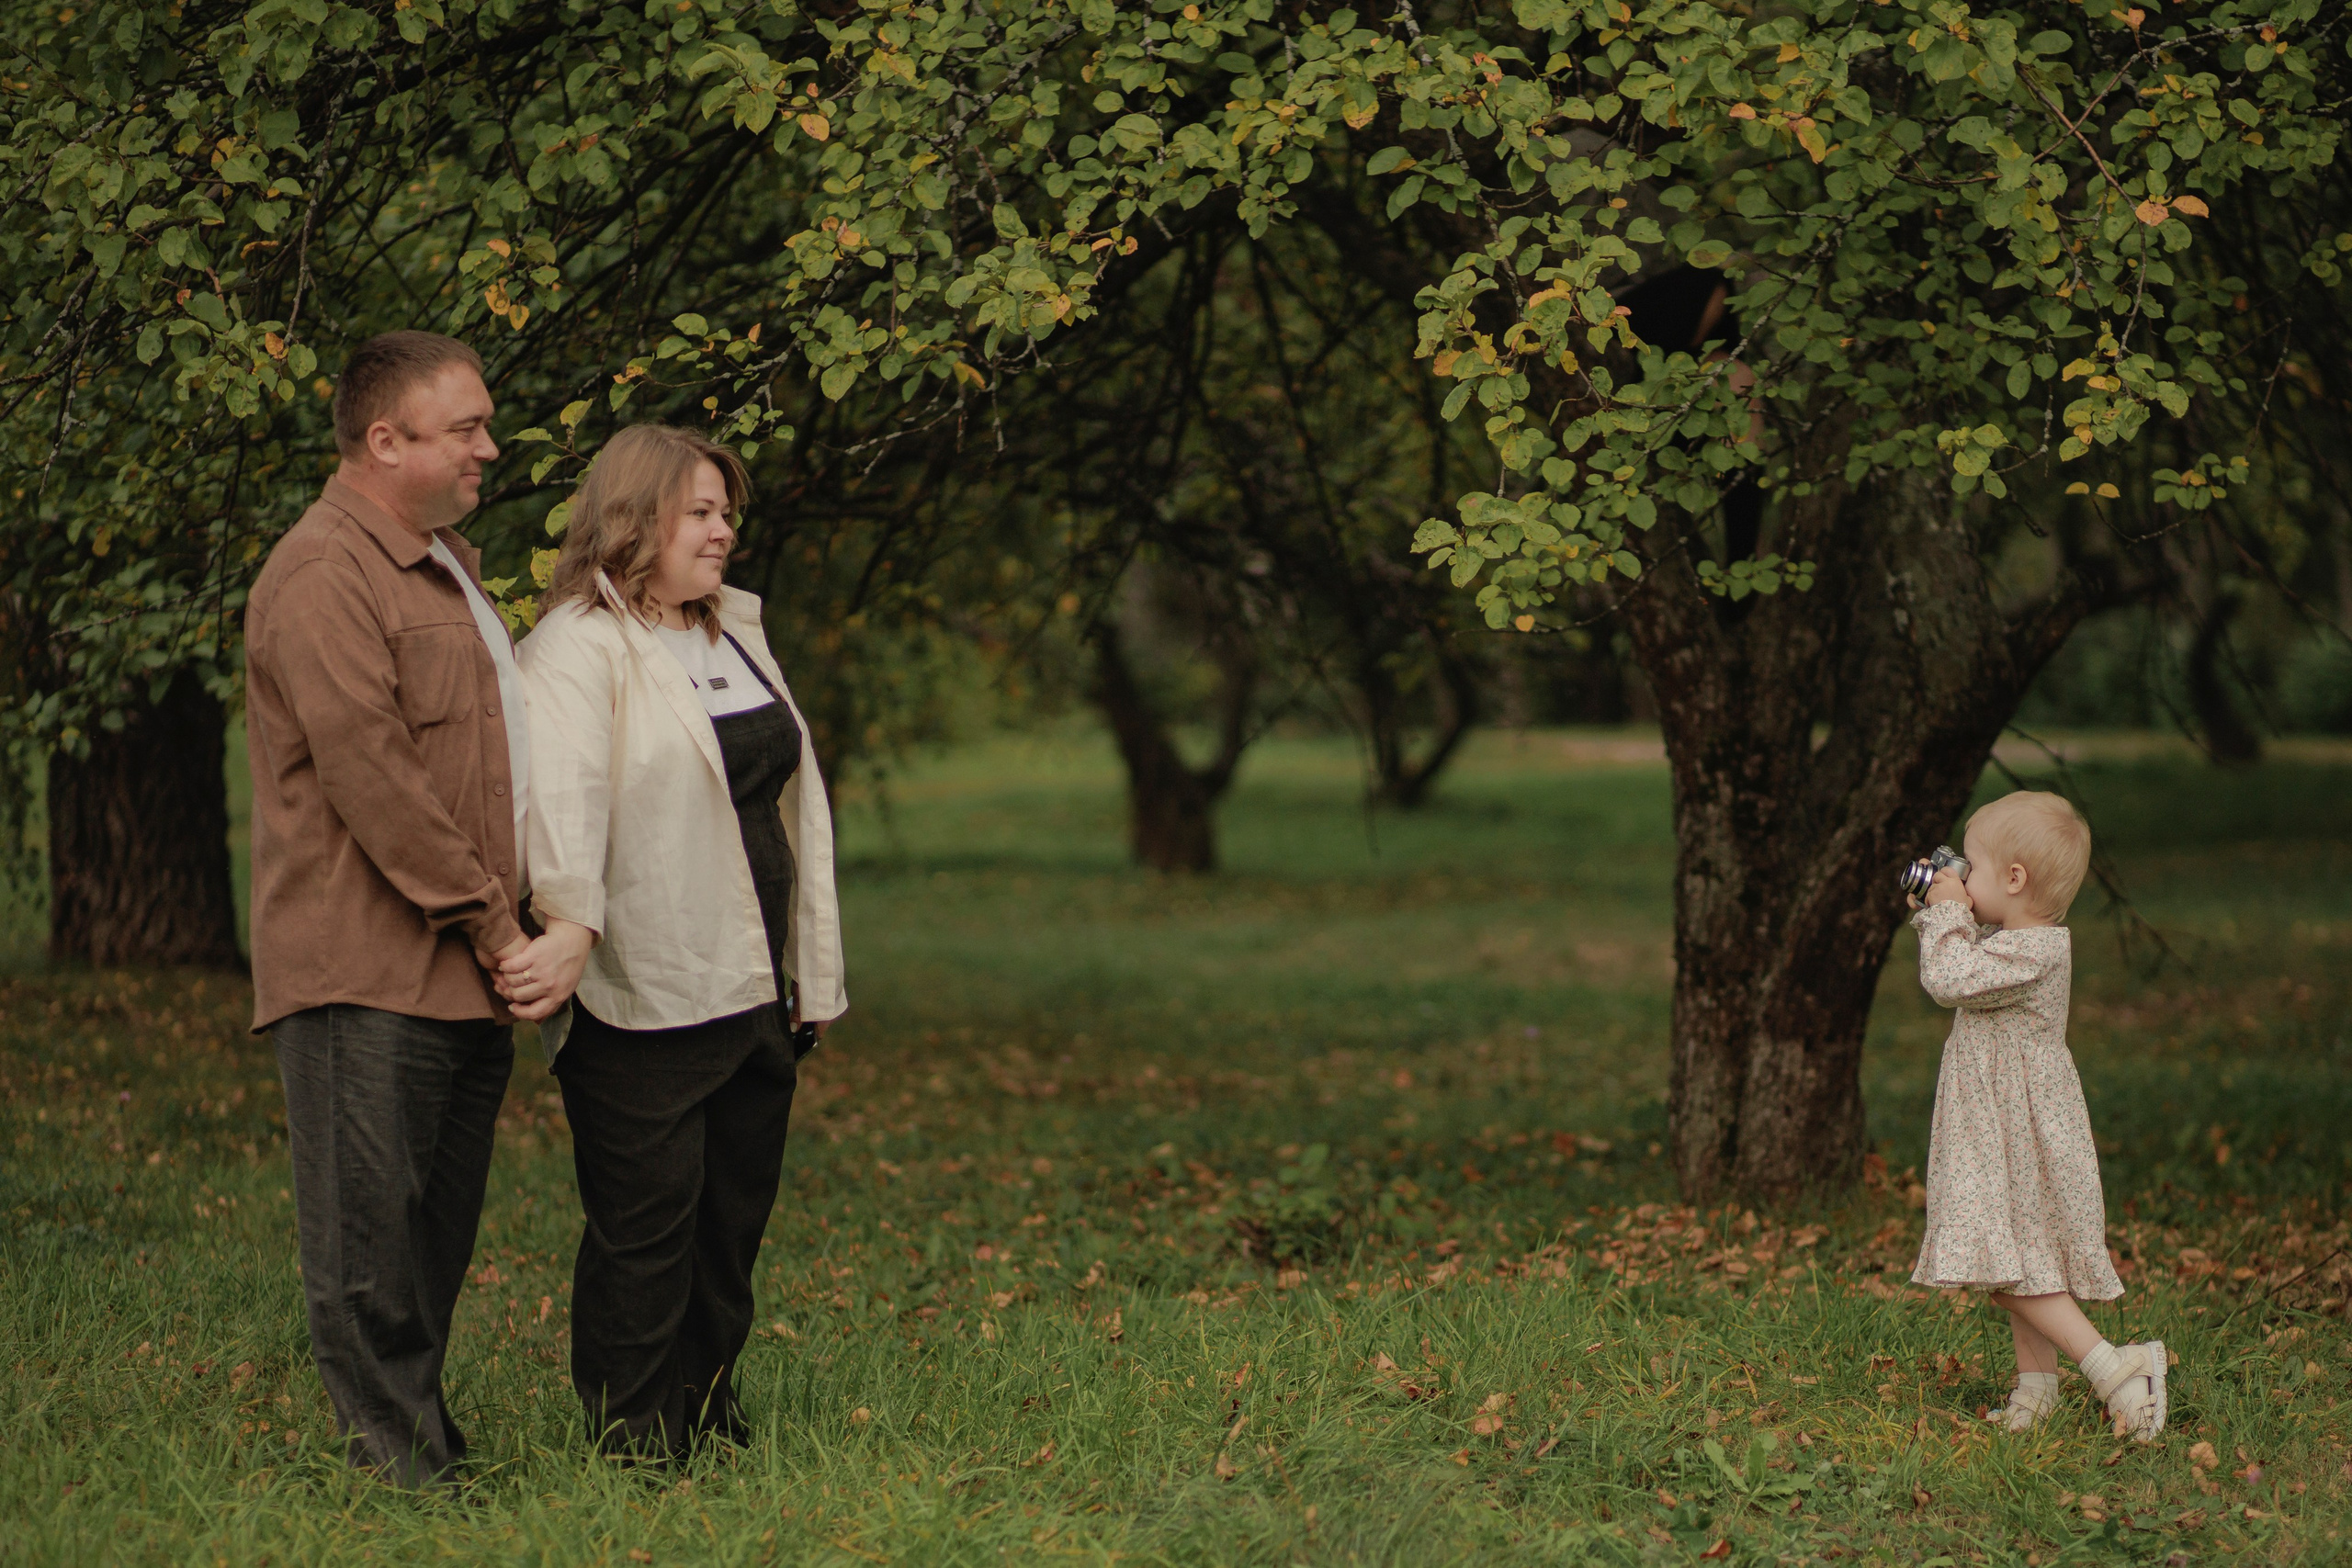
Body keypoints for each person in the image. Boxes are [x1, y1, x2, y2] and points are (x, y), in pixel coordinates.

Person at [498, 423, 845, 1460]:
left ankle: (708, 1412)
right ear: (635, 519)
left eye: (726, 511)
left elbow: (793, 812)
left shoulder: (733, 631)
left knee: (728, 1225)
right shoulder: (577, 647)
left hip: (752, 980)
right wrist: (568, 924)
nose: (724, 530)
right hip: (640, 987)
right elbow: (561, 804)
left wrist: (809, 969)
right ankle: (634, 1443)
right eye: (700, 510)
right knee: (646, 1231)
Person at [244, 330, 530, 1486]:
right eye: (466, 428)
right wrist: (497, 923)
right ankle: (397, 1471)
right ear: (384, 439)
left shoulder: (444, 565)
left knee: (429, 1232)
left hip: (458, 967)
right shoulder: (323, 573)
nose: (488, 449)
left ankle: (423, 1443)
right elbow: (373, 777)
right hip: (362, 965)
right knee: (369, 1242)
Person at [1905, 790, 2168, 1440]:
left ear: (2015, 879)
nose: (1963, 880)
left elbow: (1949, 979)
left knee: (2007, 1269)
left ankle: (2117, 1368)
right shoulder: (2007, 938)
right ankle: (2037, 1391)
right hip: (1999, 1124)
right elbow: (1962, 958)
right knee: (2023, 1257)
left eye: (1973, 866)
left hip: (2017, 1128)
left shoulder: (2039, 949)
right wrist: (1944, 911)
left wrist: (1945, 915)